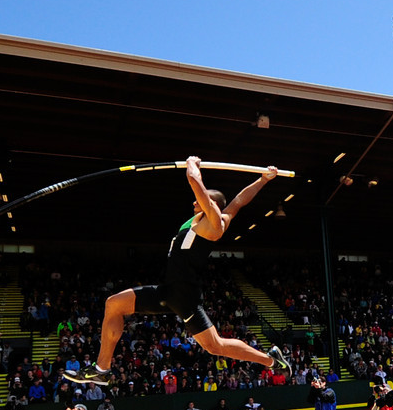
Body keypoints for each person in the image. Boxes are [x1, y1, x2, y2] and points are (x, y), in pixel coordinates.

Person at [65, 157, 289, 386]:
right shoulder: (205, 217)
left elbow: (194, 180)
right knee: (114, 304)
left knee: (215, 346)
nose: (194, 202)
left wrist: (193, 165)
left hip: (184, 295)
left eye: (200, 200)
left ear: (211, 203)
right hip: (168, 290)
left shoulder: (214, 223)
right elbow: (240, 200)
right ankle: (102, 368)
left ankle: (271, 361)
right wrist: (263, 179)